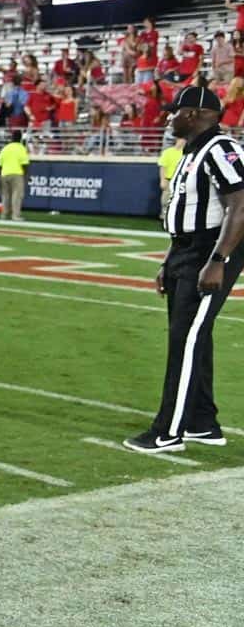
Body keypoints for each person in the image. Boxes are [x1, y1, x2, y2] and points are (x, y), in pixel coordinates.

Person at [125, 84, 244, 453]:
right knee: (195, 336)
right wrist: (168, 260)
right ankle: (201, 421)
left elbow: (240, 205)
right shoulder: (192, 152)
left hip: (209, 251)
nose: (169, 117)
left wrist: (218, 260)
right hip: (186, 251)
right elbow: (186, 215)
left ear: (193, 114)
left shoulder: (220, 149)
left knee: (186, 338)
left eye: (174, 111)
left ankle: (168, 430)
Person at [0, 129, 29, 221]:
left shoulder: (5, 148)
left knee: (5, 196)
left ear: (12, 137)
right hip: (17, 174)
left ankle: (4, 215)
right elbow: (25, 164)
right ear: (20, 138)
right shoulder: (21, 148)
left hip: (4, 173)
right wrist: (26, 176)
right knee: (16, 196)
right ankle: (15, 215)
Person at [159, 132, 186, 221]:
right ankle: (164, 218)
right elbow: (163, 166)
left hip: (181, 180)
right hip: (169, 179)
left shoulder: (187, 154)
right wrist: (163, 180)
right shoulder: (168, 152)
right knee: (165, 201)